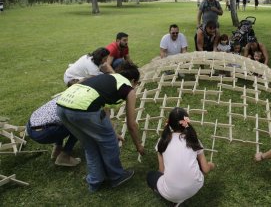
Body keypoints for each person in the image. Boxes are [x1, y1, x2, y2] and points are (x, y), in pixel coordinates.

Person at [56, 61, 145, 192]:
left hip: (62, 106)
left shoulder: (107, 79)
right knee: (110, 143)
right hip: (83, 109)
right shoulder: (128, 88)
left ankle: (95, 181)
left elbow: (104, 109)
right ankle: (117, 177)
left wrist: (112, 132)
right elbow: (131, 124)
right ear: (133, 80)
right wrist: (139, 146)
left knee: (90, 144)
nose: (135, 86)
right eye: (136, 83)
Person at [146, 108, 215, 205]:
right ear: (186, 122)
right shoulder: (193, 141)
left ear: (169, 123)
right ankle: (180, 196)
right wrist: (211, 165)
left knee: (150, 176)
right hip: (195, 187)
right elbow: (206, 169)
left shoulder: (162, 142)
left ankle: (174, 198)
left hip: (171, 194)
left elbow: (161, 170)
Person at [26, 96, 80, 167]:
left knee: (59, 120)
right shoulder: (78, 102)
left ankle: (57, 150)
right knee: (79, 126)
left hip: (30, 128)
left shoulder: (64, 96)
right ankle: (64, 156)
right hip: (44, 133)